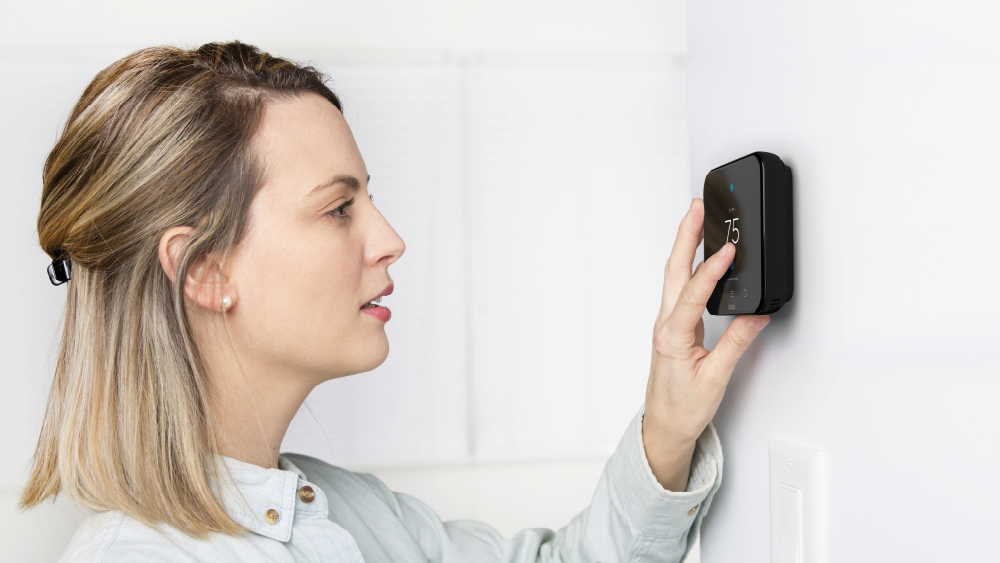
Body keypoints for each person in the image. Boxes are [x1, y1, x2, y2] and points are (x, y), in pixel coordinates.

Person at [19, 41, 769, 563]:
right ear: (204, 270)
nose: (390, 239)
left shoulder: (348, 511)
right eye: (339, 209)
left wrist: (668, 426)